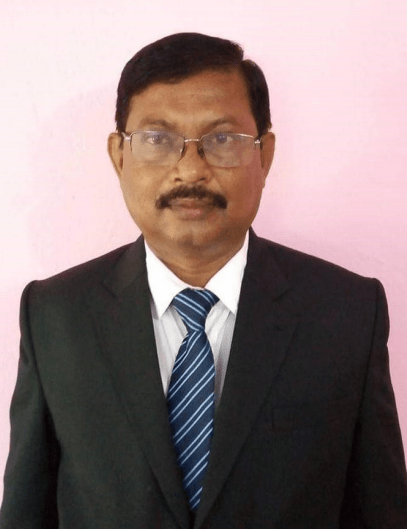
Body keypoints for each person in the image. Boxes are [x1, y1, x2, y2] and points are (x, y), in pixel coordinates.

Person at [1, 32, 406, 529]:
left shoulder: (347, 314)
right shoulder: (54, 316)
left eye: (222, 140)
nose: (190, 170)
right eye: (157, 139)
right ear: (119, 155)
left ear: (265, 154)